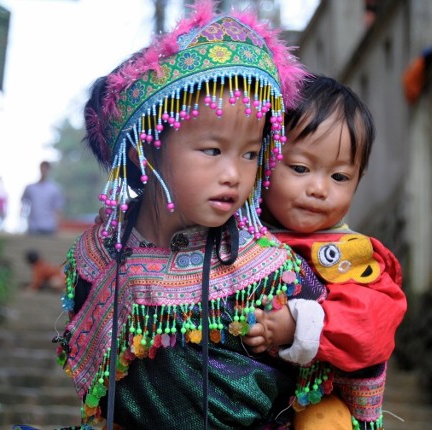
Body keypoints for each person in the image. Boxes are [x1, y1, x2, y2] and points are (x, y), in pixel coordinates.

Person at [53, 3, 333, 429]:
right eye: (212, 150)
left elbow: (330, 361)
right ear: (145, 148)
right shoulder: (98, 257)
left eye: (251, 155)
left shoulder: (270, 268)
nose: (234, 175)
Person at [242, 75, 407, 430]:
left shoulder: (348, 255)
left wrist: (299, 323)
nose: (318, 189)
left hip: (316, 401)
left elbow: (374, 322)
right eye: (300, 169)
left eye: (340, 177)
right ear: (263, 160)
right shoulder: (239, 235)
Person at [20, 161, 65, 235]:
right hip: (33, 226)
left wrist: (57, 226)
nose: (44, 170)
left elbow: (58, 209)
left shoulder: (55, 189)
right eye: (42, 168)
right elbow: (23, 203)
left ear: (49, 170)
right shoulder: (31, 188)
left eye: (46, 168)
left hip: (49, 227)